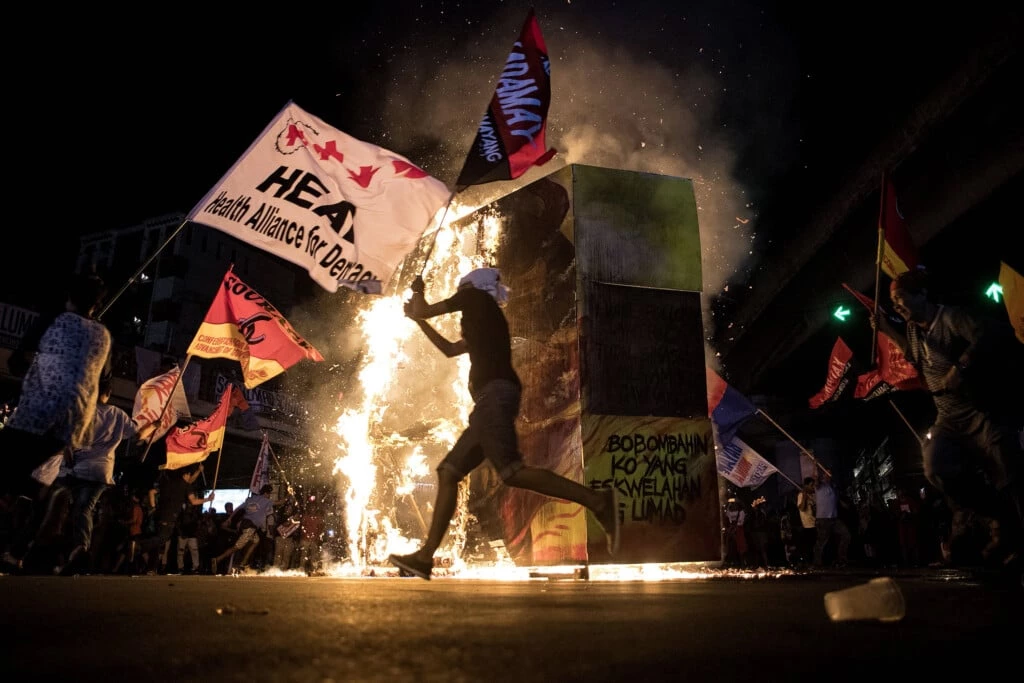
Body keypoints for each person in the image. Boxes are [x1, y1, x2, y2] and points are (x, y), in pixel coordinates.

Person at [388, 269, 619, 580]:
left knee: (511, 472)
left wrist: (418, 292)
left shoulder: (475, 297)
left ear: (470, 287)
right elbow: (449, 350)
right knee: (449, 471)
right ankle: (425, 557)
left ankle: (596, 500)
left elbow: (424, 308)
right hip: (491, 401)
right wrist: (418, 320)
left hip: (494, 397)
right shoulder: (486, 321)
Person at [873, 267, 1022, 567]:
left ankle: (1017, 538)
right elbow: (914, 356)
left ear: (922, 295)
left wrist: (962, 366)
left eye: (901, 298)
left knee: (1009, 474)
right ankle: (999, 518)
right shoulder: (914, 329)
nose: (897, 305)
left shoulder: (952, 318)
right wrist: (887, 330)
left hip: (981, 411)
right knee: (936, 466)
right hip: (949, 418)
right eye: (894, 301)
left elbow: (988, 333)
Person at [0, 273, 112, 501]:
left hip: (38, 414)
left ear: (69, 295)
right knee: (15, 474)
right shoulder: (104, 335)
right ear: (96, 304)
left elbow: (15, 363)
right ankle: (47, 500)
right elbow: (104, 392)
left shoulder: (53, 319)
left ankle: (51, 498)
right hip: (74, 426)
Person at [52, 378, 155, 574]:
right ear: (108, 394)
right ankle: (79, 547)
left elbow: (66, 440)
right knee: (84, 509)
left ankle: (70, 548)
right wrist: (153, 425)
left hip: (75, 469)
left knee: (61, 506)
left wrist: (69, 457)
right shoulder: (117, 414)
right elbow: (138, 436)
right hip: (101, 472)